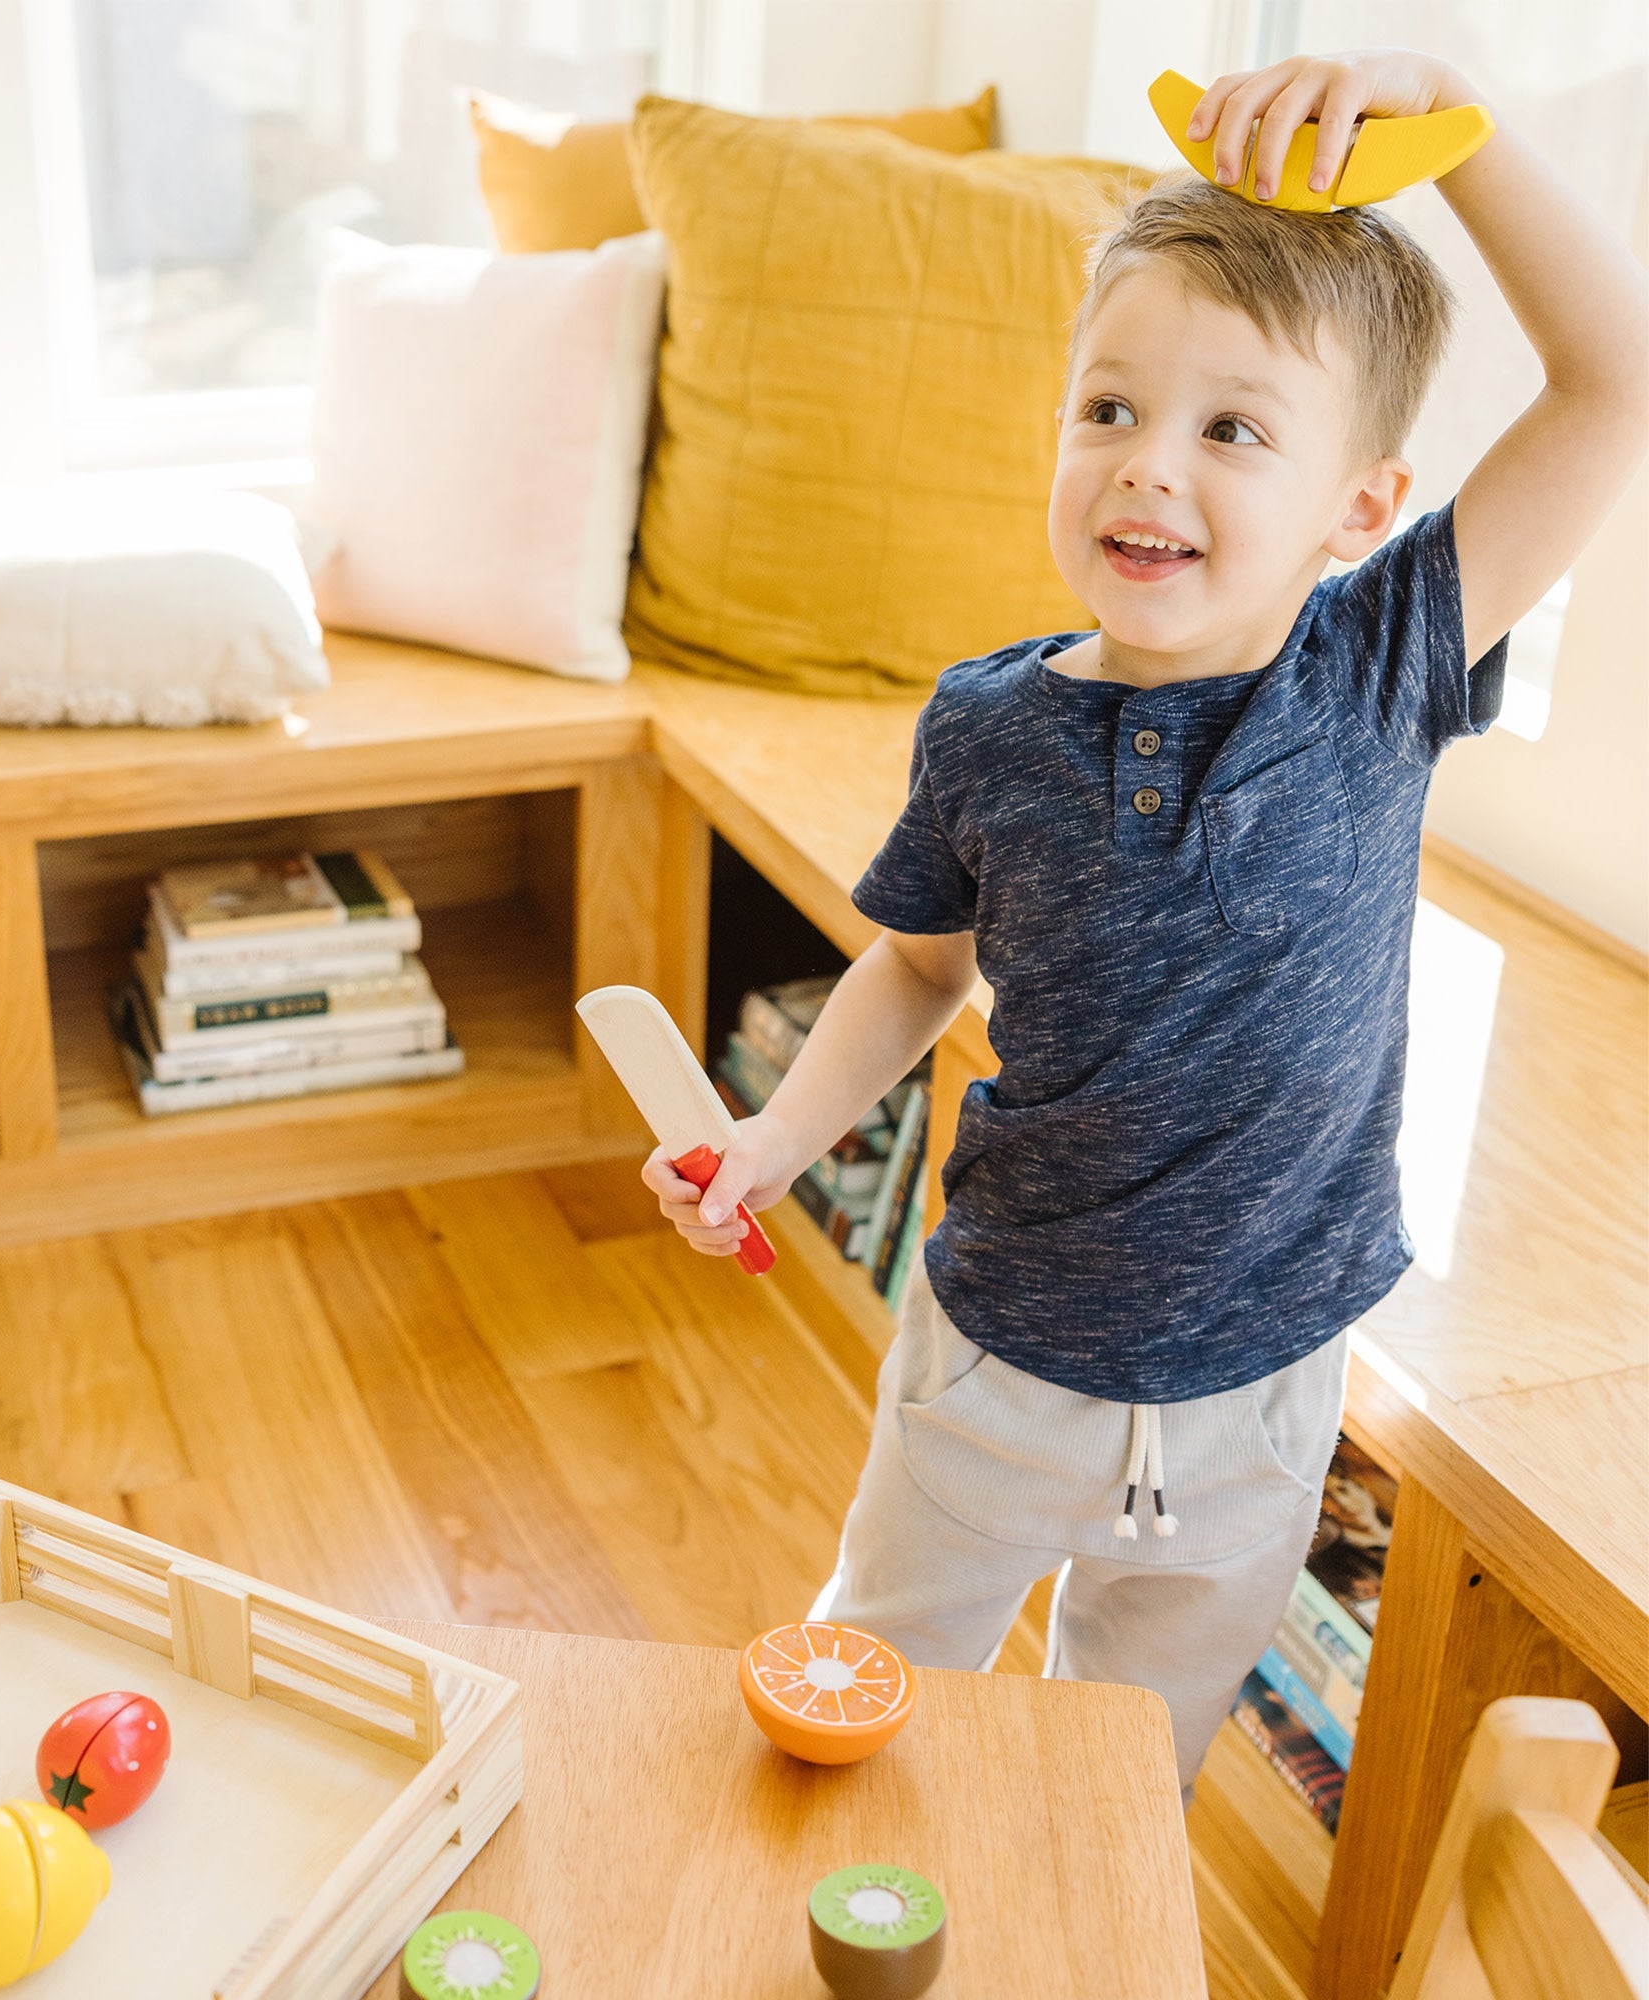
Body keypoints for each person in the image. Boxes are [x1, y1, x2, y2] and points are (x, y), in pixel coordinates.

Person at [640, 48, 1649, 1791]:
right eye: (1107, 408)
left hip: (1264, 1401)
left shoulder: (1385, 662)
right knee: (857, 1721)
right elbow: (918, 963)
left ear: (1361, 509)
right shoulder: (988, 723)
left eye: (1230, 428)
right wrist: (778, 1134)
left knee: (1114, 1785)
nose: (1146, 469)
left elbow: (1614, 380)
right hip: (994, 1374)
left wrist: (1455, 112)